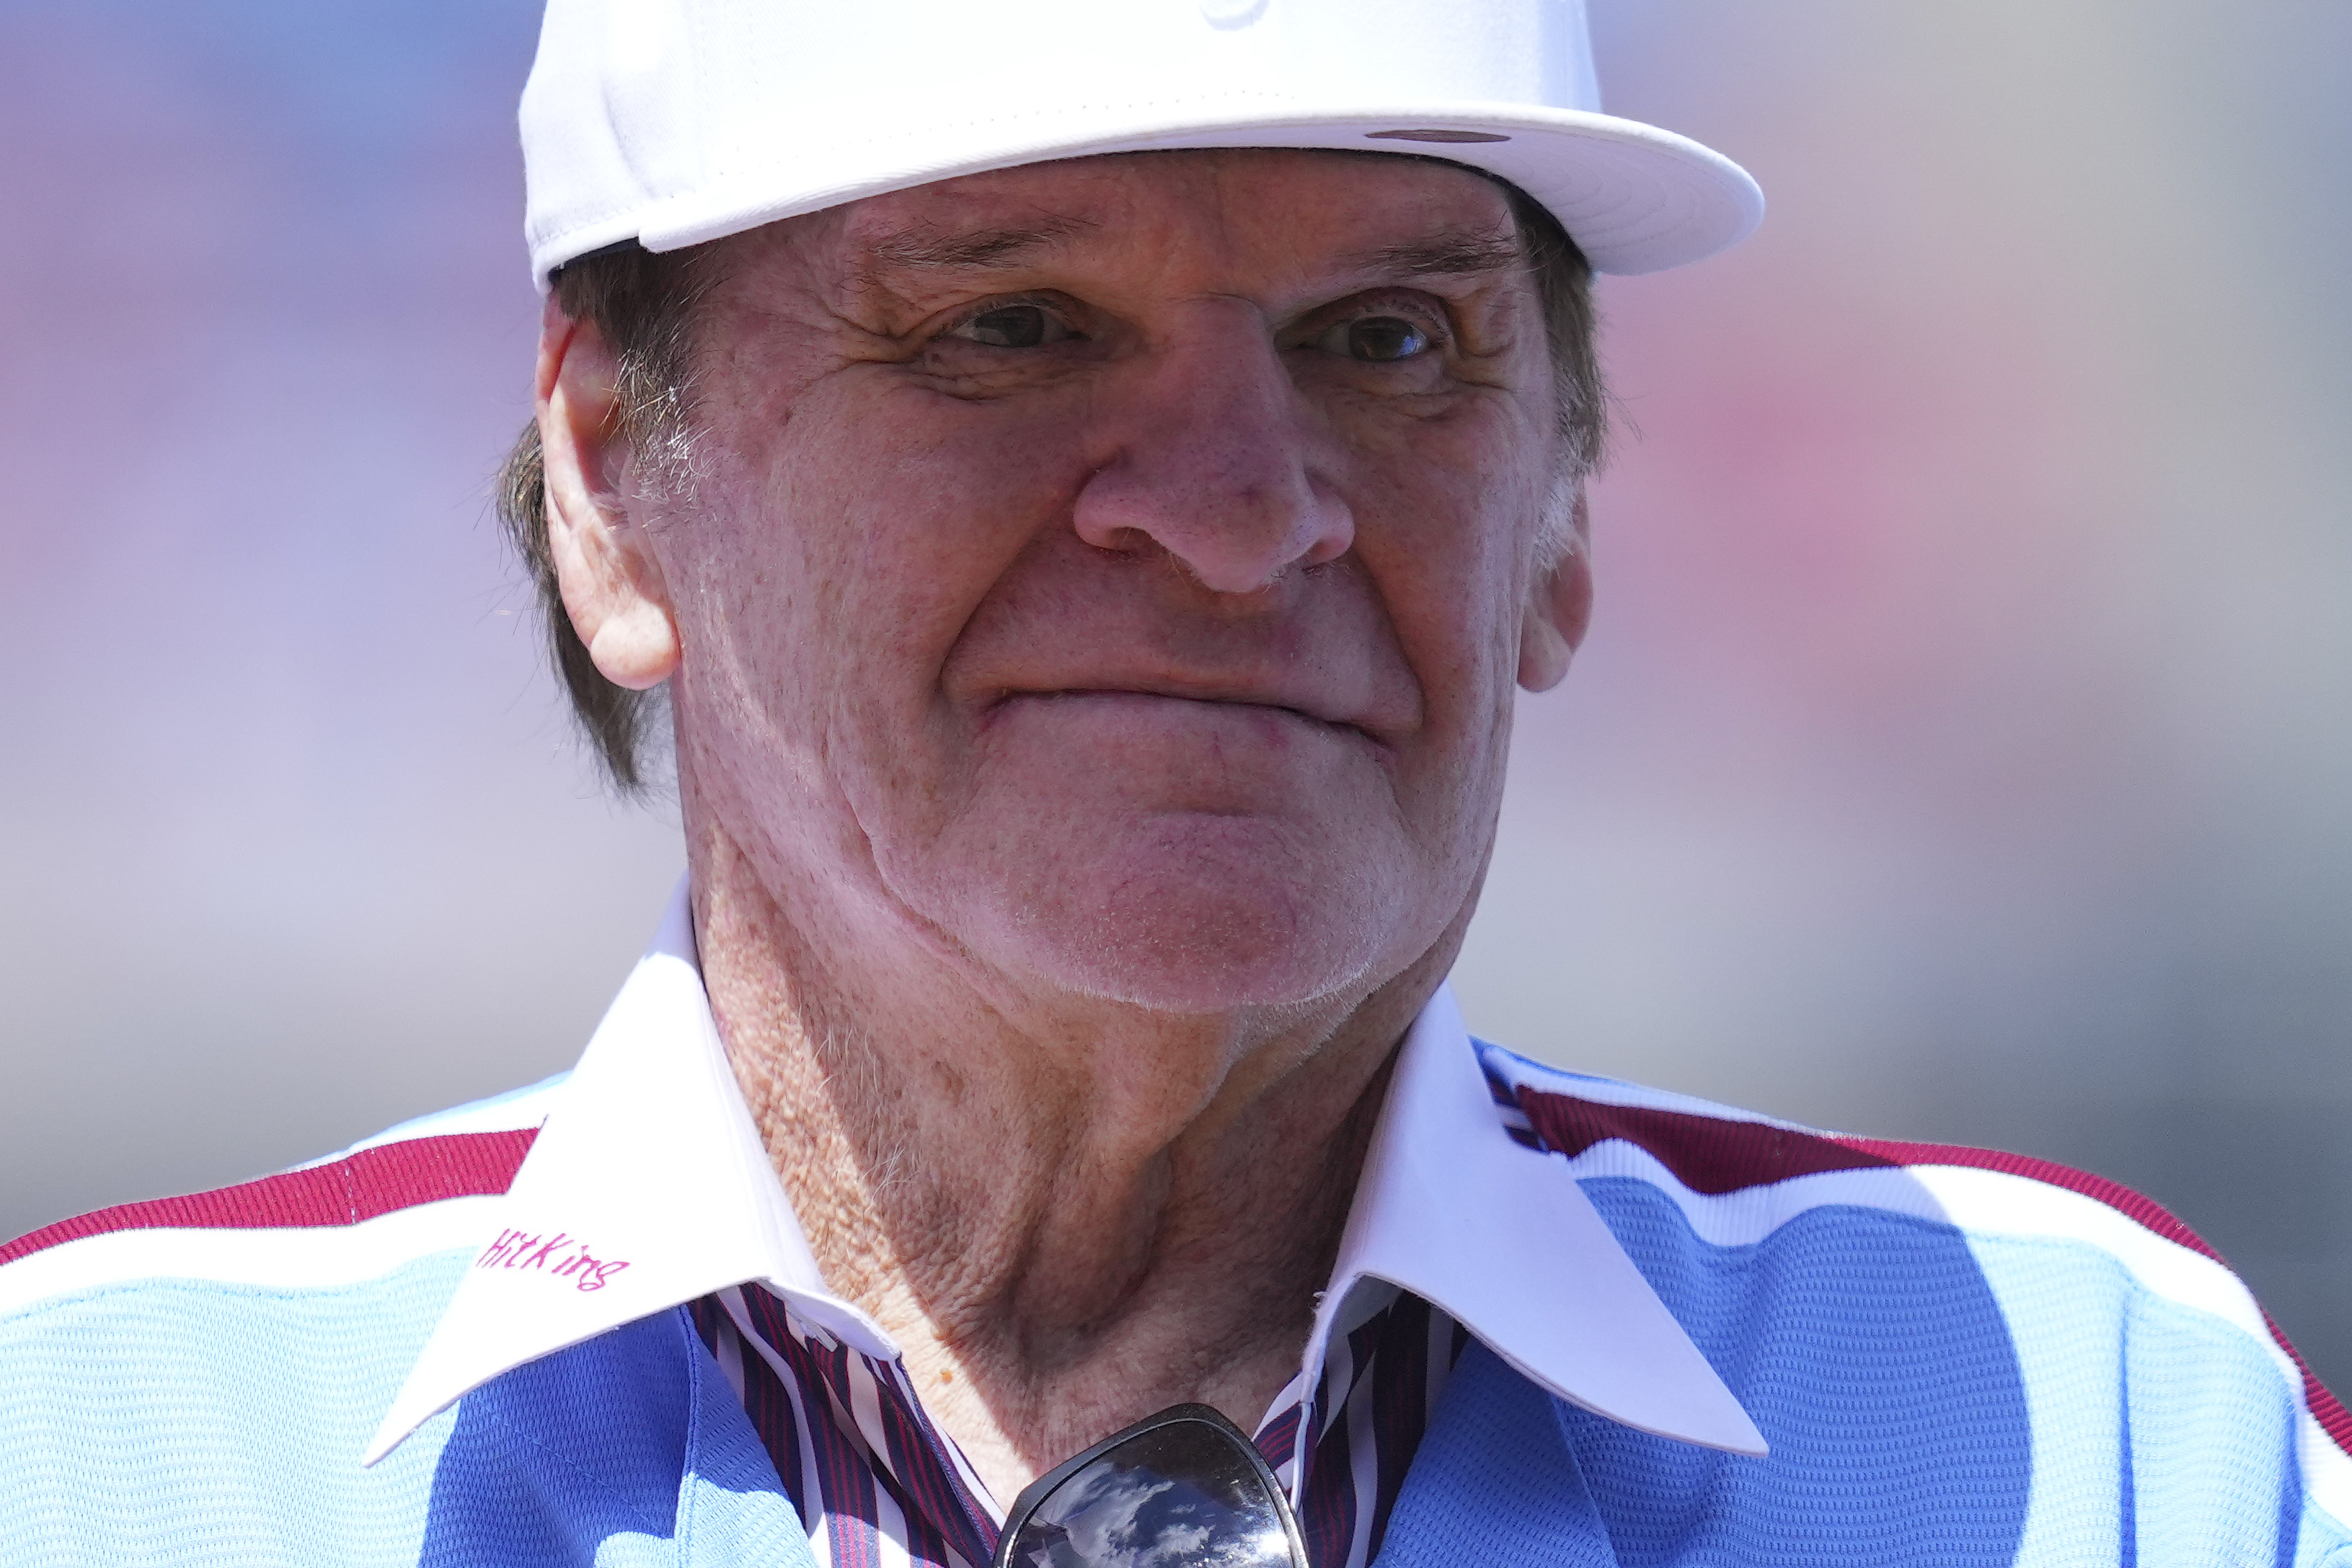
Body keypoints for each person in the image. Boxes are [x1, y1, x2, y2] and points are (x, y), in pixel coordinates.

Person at [3, 0, 2346, 1563]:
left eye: (1388, 340)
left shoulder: (2114, 1439)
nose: (1241, 510)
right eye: (1009, 327)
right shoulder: (91, 1458)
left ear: (1564, 516)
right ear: (618, 489)